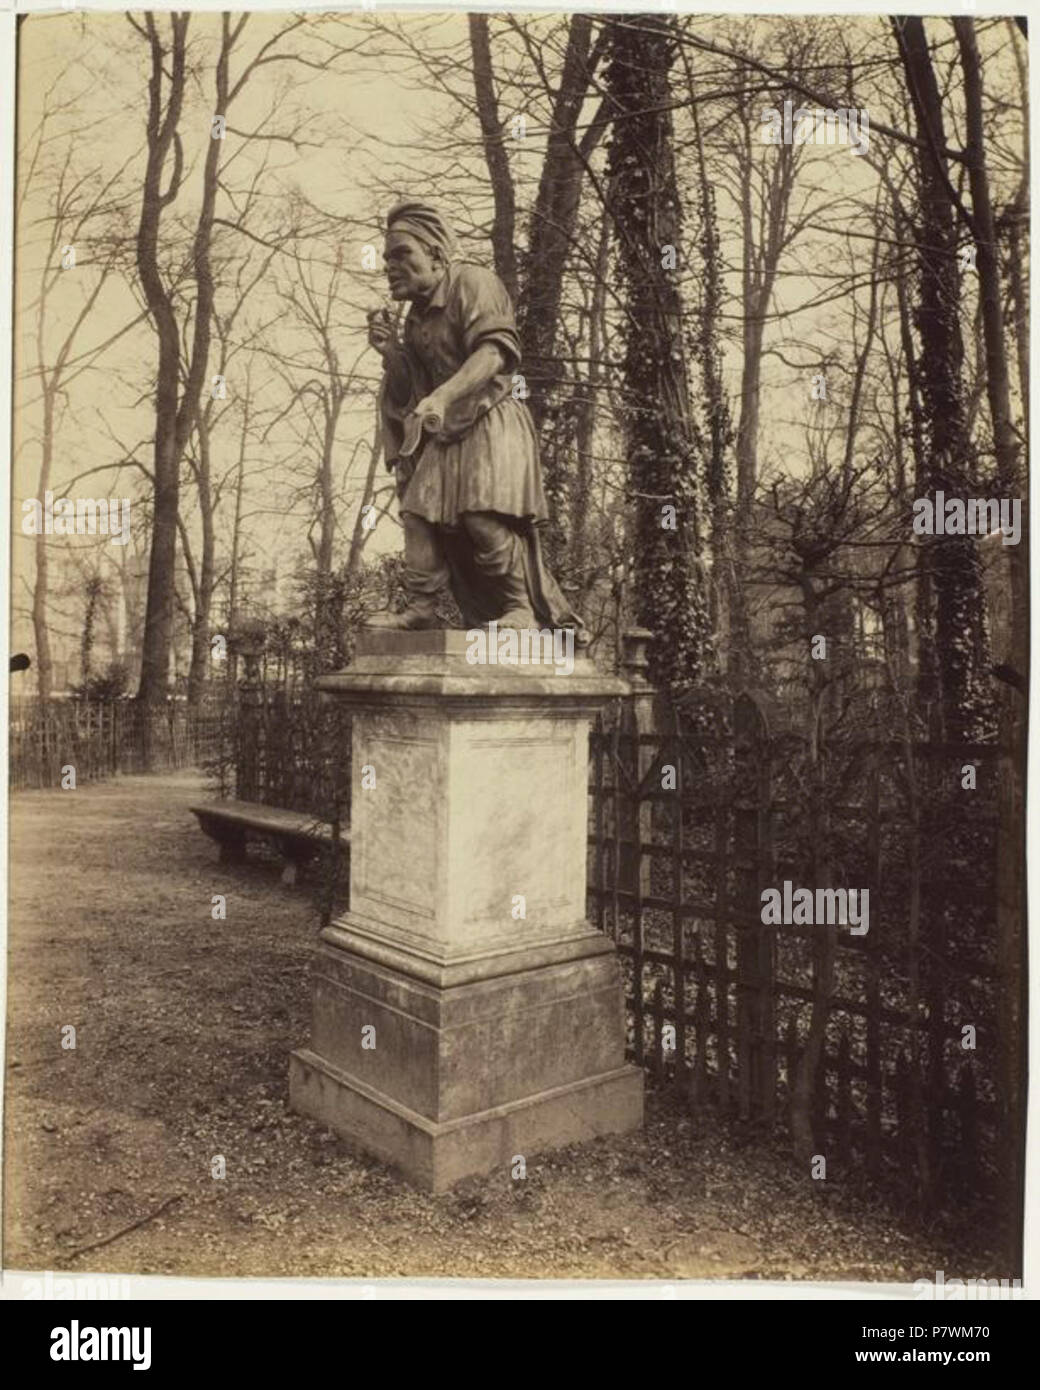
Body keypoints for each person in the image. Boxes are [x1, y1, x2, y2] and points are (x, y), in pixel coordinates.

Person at [365, 199, 582, 636]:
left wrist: (444, 397)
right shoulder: (416, 320)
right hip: (448, 430)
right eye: (387, 258)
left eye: (402, 254)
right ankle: (422, 605)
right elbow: (416, 394)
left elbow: (495, 352)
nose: (391, 266)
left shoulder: (475, 283)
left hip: (493, 417)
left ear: (437, 254)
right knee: (418, 513)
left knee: (483, 514)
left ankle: (520, 609)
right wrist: (393, 355)